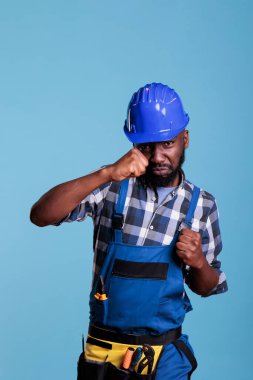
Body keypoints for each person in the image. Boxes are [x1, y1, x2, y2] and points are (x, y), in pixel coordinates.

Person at [30, 83, 227, 380]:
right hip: (105, 357)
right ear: (133, 145)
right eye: (146, 146)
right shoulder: (110, 186)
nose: (158, 157)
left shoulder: (202, 205)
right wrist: (106, 172)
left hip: (164, 359)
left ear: (185, 139)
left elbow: (207, 287)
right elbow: (40, 215)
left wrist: (198, 261)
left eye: (168, 144)